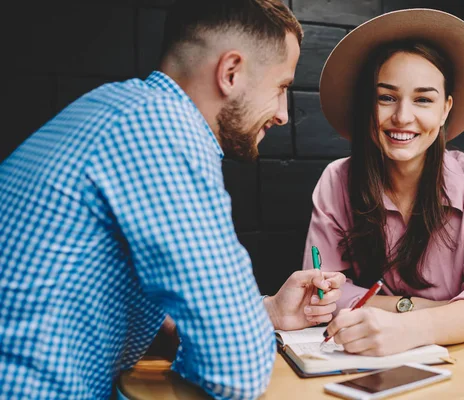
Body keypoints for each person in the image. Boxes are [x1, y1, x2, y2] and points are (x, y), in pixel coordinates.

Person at [0, 1, 345, 399]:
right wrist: (240, 334)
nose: (284, 114)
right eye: (282, 86)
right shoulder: (160, 132)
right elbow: (237, 370)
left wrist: (268, 313)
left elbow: (136, 315)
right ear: (230, 73)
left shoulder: (121, 108)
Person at [302, 8, 464, 400]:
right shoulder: (338, 180)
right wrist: (418, 307)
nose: (402, 117)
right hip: (378, 343)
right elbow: (323, 293)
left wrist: (403, 324)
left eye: (423, 100)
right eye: (386, 97)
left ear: (445, 109)